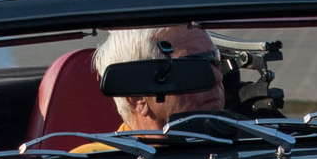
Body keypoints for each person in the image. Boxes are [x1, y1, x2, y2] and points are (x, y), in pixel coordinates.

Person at [94, 23, 224, 132]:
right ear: (138, 98)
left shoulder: (242, 145)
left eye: (215, 61)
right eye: (193, 68)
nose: (218, 77)